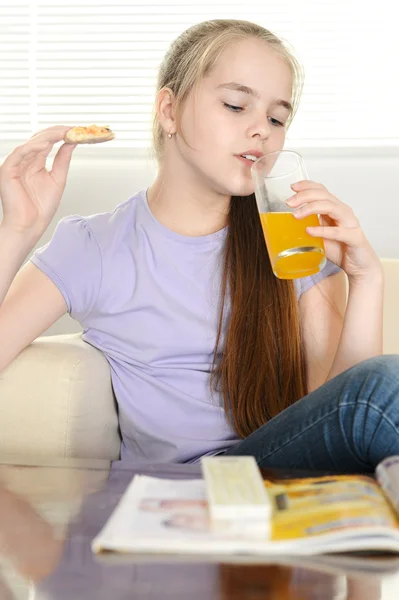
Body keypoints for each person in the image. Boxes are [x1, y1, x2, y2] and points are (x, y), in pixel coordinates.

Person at [0, 19, 398, 473]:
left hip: (283, 484)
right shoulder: (94, 247)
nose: (261, 131)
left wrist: (365, 278)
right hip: (186, 492)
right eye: (235, 105)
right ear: (169, 110)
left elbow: (339, 415)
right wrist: (19, 228)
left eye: (276, 118)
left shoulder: (291, 238)